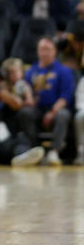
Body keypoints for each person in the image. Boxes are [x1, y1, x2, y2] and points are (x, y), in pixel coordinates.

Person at [21, 37, 74, 165]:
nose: (44, 53)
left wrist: (53, 112)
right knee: (25, 112)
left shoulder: (64, 71)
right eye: (41, 49)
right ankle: (34, 150)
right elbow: (25, 88)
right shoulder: (31, 71)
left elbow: (66, 96)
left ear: (55, 51)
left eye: (48, 49)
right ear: (38, 51)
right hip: (38, 108)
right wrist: (28, 98)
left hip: (56, 108)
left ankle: (54, 152)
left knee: (63, 115)